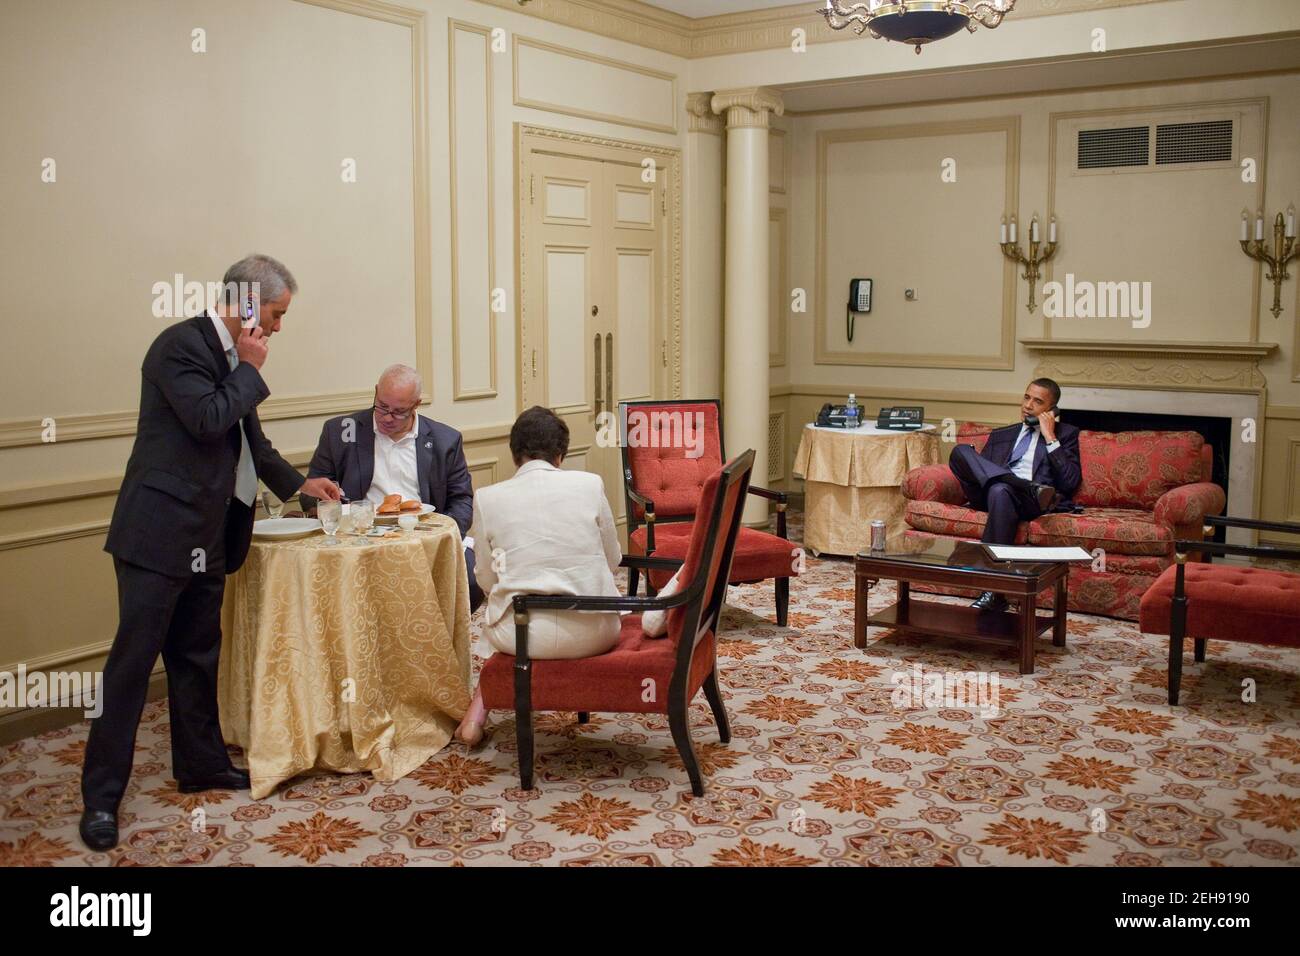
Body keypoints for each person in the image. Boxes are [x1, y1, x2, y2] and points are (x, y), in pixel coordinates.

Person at [81, 254, 343, 850]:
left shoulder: (231, 361)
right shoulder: (179, 345)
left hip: (210, 534)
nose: (278, 327)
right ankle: (99, 799)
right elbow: (205, 419)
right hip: (158, 532)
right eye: (276, 314)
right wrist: (249, 367)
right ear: (249, 303)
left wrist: (297, 483)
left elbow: (250, 441)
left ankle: (199, 765)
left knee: (198, 657)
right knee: (130, 667)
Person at [455, 406, 623, 746]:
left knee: (497, 617)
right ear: (560, 455)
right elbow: (613, 561)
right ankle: (477, 714)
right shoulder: (590, 484)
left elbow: (486, 579)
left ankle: (476, 715)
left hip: (522, 636)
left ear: (515, 455)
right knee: (505, 613)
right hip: (596, 631)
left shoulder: (487, 498)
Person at [298, 364, 483, 612]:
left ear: (416, 405)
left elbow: (462, 501)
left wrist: (441, 536)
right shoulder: (341, 432)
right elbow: (310, 496)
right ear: (376, 392)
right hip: (359, 540)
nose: (386, 417)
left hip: (424, 537)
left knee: (471, 582)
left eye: (398, 412)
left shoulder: (444, 439)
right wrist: (330, 503)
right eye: (382, 406)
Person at [946, 377, 1082, 611]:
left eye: (1037, 402)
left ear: (1051, 410)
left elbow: (1069, 482)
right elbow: (985, 472)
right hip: (992, 493)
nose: (1028, 405)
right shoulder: (1003, 434)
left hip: (1028, 501)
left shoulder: (1065, 434)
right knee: (960, 451)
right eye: (1026, 397)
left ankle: (993, 590)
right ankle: (1023, 484)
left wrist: (1050, 437)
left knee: (1001, 490)